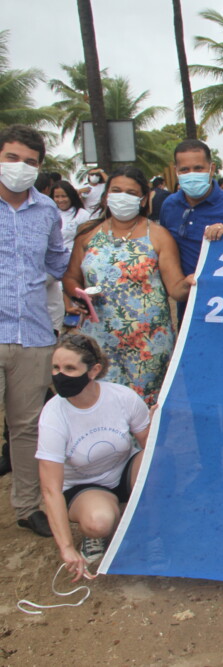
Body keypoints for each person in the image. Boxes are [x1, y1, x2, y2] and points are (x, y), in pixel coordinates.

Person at [63, 166, 190, 405]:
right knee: (102, 403)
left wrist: (194, 281)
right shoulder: (88, 235)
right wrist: (77, 295)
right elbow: (70, 277)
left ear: (143, 199)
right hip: (98, 340)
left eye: (131, 193)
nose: (123, 197)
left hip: (148, 344)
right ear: (106, 196)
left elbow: (175, 288)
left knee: (143, 408)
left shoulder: (159, 236)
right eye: (116, 190)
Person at [0, 124, 70, 538]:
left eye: (29, 161)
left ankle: (27, 506)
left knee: (26, 428)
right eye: (12, 158)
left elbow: (57, 261)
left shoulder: (46, 210)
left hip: (34, 335)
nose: (20, 167)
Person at [37, 333, 151, 575]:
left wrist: (160, 422)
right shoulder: (52, 416)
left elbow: (151, 445)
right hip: (83, 485)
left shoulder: (121, 396)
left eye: (70, 368)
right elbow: (50, 489)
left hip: (123, 470)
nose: (59, 375)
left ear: (94, 370)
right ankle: (98, 529)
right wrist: (67, 547)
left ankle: (151, 529)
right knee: (99, 522)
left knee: (159, 466)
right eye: (56, 368)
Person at [159, 139, 223, 321]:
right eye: (184, 170)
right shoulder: (169, 205)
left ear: (211, 168)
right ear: (176, 171)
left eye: (198, 168)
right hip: (189, 304)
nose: (191, 174)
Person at [47, 181, 93, 330]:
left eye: (64, 196)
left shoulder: (82, 215)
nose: (60, 200)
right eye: (57, 196)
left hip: (76, 261)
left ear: (71, 196)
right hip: (55, 263)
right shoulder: (49, 213)